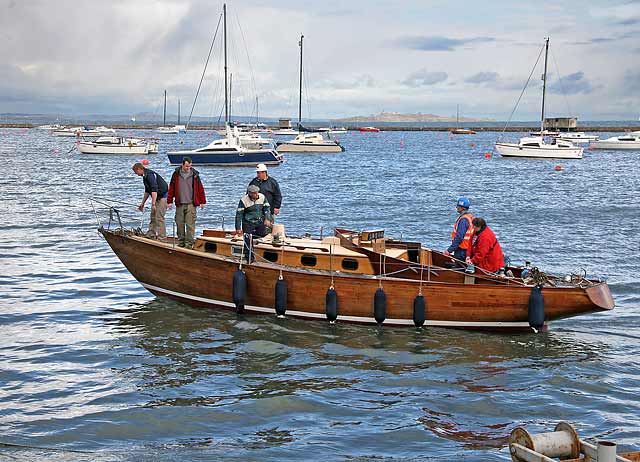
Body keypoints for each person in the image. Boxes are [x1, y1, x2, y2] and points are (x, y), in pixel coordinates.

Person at [167, 157, 206, 249]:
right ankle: (181, 242)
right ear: (182, 164)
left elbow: (200, 188)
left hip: (191, 204)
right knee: (179, 224)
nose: (188, 168)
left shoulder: (195, 175)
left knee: (190, 225)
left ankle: (189, 244)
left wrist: (203, 201)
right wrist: (169, 201)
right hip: (179, 203)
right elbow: (171, 188)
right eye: (186, 166)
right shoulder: (176, 174)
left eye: (189, 166)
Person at [132, 162, 168, 239]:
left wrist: (153, 204)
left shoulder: (150, 175)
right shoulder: (144, 176)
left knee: (159, 217)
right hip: (156, 197)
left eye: (136, 172)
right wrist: (142, 204)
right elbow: (147, 191)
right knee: (153, 216)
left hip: (162, 197)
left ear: (139, 169)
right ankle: (151, 233)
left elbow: (154, 189)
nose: (136, 174)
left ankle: (162, 237)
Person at [444, 196, 474, 261]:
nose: (456, 207)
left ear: (462, 208)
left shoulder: (463, 220)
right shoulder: (470, 217)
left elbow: (459, 237)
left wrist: (449, 250)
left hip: (462, 250)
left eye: (458, 206)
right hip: (468, 249)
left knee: (458, 267)